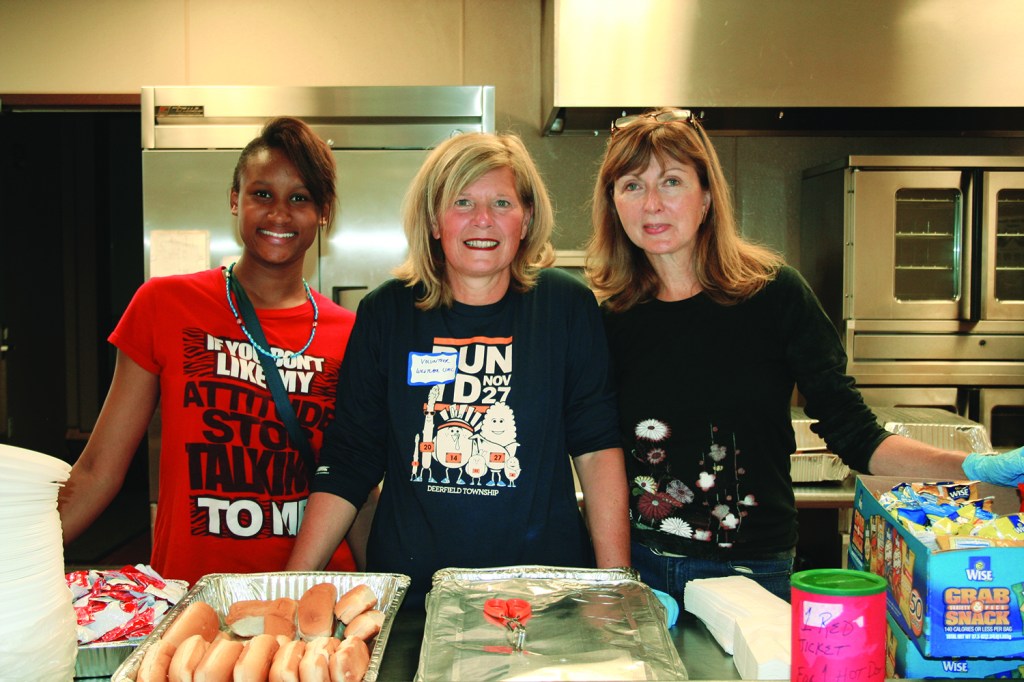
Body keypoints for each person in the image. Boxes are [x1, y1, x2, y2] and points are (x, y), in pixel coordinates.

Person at [585, 107, 1024, 603]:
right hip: (646, 569)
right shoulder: (610, 318)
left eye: (670, 181)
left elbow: (856, 435)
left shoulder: (773, 295)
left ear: (706, 196)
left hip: (752, 571)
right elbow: (600, 453)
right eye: (631, 186)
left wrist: (974, 469)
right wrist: (613, 581)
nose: (651, 205)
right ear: (613, 204)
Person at [286, 131, 630, 608]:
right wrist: (288, 586)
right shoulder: (387, 312)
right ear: (433, 219)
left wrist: (615, 589)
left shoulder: (564, 306)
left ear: (527, 218)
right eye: (462, 202)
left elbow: (596, 449)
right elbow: (350, 460)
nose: (483, 220)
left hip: (543, 596)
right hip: (415, 598)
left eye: (502, 203)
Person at [59, 117, 376, 586]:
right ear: (235, 200)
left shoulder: (353, 332)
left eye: (300, 198)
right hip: (191, 596)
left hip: (312, 597)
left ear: (323, 211)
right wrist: (22, 554)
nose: (279, 214)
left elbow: (360, 488)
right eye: (262, 194)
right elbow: (97, 470)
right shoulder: (164, 305)